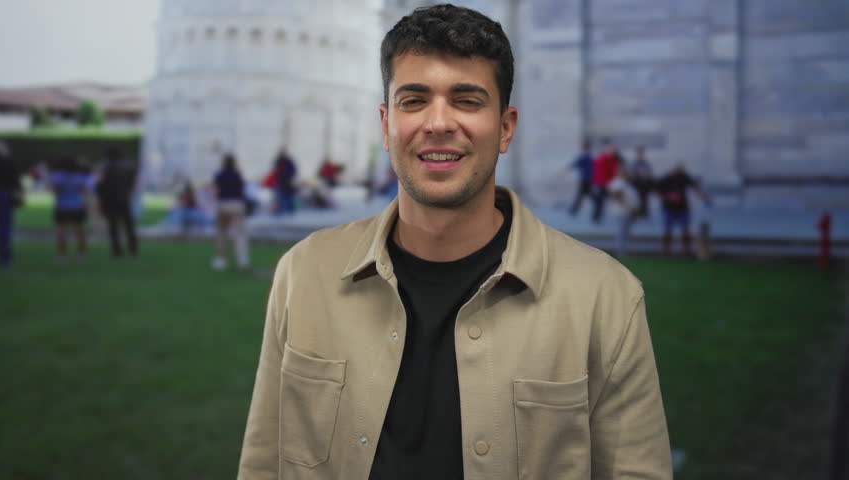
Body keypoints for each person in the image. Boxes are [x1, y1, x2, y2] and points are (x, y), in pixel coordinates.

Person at [238, 5, 671, 480]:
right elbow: (265, 461)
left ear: (505, 127)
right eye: (414, 100)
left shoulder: (605, 297)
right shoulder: (305, 274)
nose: (438, 122)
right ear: (385, 125)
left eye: (466, 100)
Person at [655, 164, 710, 256]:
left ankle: (686, 251)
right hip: (669, 209)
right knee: (667, 230)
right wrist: (668, 197)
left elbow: (695, 188)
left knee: (685, 230)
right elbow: (656, 192)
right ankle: (666, 251)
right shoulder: (665, 180)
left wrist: (704, 197)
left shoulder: (684, 178)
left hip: (683, 209)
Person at [47, 156, 94, 262]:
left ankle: (61, 255)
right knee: (80, 231)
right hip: (77, 206)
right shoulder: (79, 176)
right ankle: (81, 254)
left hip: (62, 206)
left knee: (62, 231)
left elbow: (52, 190)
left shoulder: (58, 176)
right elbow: (86, 190)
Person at [96, 147, 139, 257]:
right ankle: (133, 248)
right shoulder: (128, 166)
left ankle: (116, 250)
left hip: (111, 199)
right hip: (124, 197)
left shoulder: (107, 167)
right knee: (129, 224)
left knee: (113, 225)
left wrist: (101, 197)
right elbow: (133, 182)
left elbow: (101, 184)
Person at [212, 153, 250, 271]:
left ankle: (221, 260)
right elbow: (242, 191)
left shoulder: (219, 175)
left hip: (223, 204)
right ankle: (242, 260)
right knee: (239, 234)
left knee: (221, 233)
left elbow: (216, 191)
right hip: (237, 205)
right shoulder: (238, 175)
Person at [0, 141, 22, 268]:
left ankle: (5, 258)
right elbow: (15, 179)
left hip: (4, 193)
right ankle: (5, 259)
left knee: (4, 227)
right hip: (4, 194)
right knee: (5, 227)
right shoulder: (8, 160)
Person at [607, 166, 640, 257]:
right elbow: (616, 194)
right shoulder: (617, 183)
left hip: (628, 211)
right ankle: (621, 252)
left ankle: (623, 250)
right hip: (622, 211)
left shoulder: (626, 184)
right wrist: (626, 204)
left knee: (625, 232)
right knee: (622, 232)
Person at [591, 137, 618, 223]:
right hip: (601, 183)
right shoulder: (601, 159)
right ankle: (596, 218)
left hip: (608, 183)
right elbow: (597, 172)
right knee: (599, 202)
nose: (611, 150)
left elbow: (613, 172)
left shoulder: (612, 159)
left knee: (606, 201)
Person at [568, 138, 593, 215]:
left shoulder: (585, 156)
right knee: (585, 194)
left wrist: (568, 168)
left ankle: (574, 210)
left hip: (585, 178)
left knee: (581, 194)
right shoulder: (589, 156)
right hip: (588, 178)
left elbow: (575, 164)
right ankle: (574, 209)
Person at [630, 145, 654, 218]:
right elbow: (632, 173)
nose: (640, 155)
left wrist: (646, 176)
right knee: (637, 199)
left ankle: (644, 212)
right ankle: (637, 212)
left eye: (641, 153)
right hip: (637, 183)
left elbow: (649, 173)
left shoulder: (646, 163)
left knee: (644, 199)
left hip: (645, 184)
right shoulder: (634, 163)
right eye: (639, 153)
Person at [273, 149, 298, 215]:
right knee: (284, 199)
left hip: (285, 183)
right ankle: (285, 212)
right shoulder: (279, 162)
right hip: (282, 183)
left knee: (287, 198)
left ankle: (289, 212)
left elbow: (293, 171)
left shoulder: (285, 162)